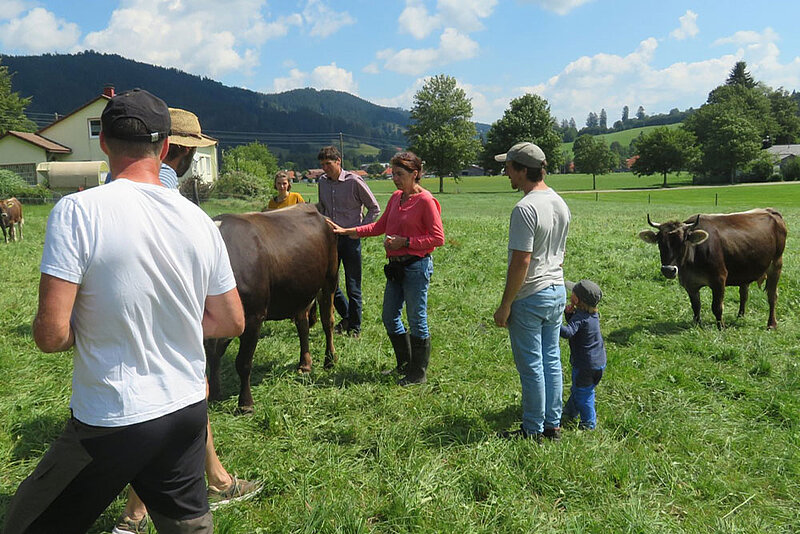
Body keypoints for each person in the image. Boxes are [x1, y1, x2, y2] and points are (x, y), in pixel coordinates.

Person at [2, 89, 245, 534]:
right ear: (166, 148)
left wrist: (91, 326)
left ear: (104, 143)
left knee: (24, 524)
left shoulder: (78, 211)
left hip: (113, 416)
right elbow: (231, 320)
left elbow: (50, 335)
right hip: (188, 407)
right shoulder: (199, 221)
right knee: (187, 525)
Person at [113, 110, 260, 534]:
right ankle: (134, 515)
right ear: (180, 152)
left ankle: (218, 479)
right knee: (163, 409)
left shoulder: (114, 185)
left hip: (125, 317)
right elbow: (230, 317)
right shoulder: (165, 186)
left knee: (192, 399)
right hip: (166, 320)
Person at [328, 151, 444, 385]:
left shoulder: (426, 201)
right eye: (393, 173)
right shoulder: (396, 198)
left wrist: (407, 242)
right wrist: (348, 231)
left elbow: (437, 237)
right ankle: (404, 366)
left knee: (416, 318)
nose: (395, 178)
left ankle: (417, 373)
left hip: (416, 267)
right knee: (389, 317)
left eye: (400, 174)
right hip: (396, 268)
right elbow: (378, 226)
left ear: (415, 174)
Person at [493, 141, 570, 441]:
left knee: (531, 366)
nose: (506, 173)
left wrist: (505, 304)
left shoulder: (524, 208)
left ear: (523, 170)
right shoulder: (559, 202)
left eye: (509, 167)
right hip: (557, 289)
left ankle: (532, 429)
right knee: (552, 359)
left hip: (531, 295)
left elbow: (521, 261)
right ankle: (553, 425)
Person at [316, 145, 380, 338]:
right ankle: (347, 317)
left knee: (353, 286)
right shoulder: (322, 182)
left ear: (338, 161)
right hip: (330, 239)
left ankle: (355, 329)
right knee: (329, 285)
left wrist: (359, 231)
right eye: (322, 165)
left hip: (351, 240)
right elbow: (323, 208)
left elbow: (374, 208)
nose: (325, 168)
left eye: (328, 164)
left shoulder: (354, 181)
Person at [560, 279, 606, 430]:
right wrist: (569, 316)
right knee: (580, 389)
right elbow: (579, 331)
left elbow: (569, 332)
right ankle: (570, 411)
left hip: (585, 365)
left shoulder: (580, 317)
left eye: (572, 292)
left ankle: (588, 423)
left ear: (576, 299)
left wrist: (554, 323)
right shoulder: (591, 315)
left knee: (584, 394)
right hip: (598, 363)